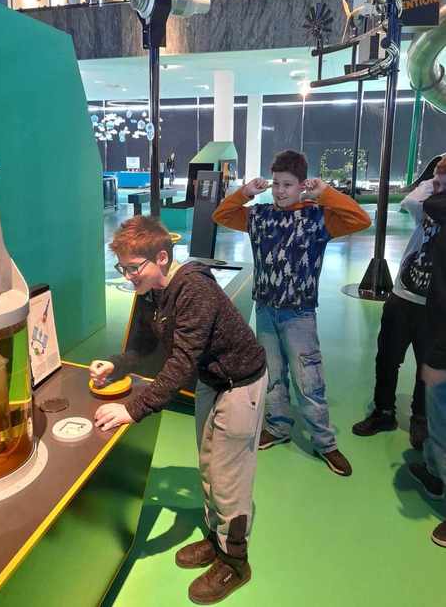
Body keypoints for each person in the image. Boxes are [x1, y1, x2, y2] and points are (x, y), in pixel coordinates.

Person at [91, 216, 268, 603]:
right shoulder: (151, 290)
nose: (128, 276)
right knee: (208, 465)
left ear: (162, 258)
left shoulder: (193, 289)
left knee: (229, 478)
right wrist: (115, 365)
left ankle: (235, 562)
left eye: (133, 268)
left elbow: (181, 363)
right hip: (212, 380)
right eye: (122, 268)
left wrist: (133, 409)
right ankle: (216, 539)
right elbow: (143, 347)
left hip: (240, 382)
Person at [213, 150, 371, 476]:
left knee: (308, 379)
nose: (280, 190)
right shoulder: (259, 216)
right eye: (276, 183)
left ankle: (325, 442)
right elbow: (221, 215)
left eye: (288, 184)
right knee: (272, 375)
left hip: (299, 314)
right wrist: (245, 192)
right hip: (266, 310)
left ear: (302, 185)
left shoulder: (318, 218)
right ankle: (278, 426)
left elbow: (361, 219)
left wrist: (325, 193)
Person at [352, 161, 446, 449]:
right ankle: (384, 412)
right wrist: (435, 182)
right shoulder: (426, 208)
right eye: (436, 183)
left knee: (425, 365)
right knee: (387, 358)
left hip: (433, 306)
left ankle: (421, 419)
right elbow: (410, 201)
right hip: (402, 296)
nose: (437, 189)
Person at [405, 166, 446, 546]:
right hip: (435, 331)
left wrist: (438, 358)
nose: (436, 190)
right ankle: (435, 474)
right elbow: (417, 202)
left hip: (442, 349)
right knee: (438, 421)